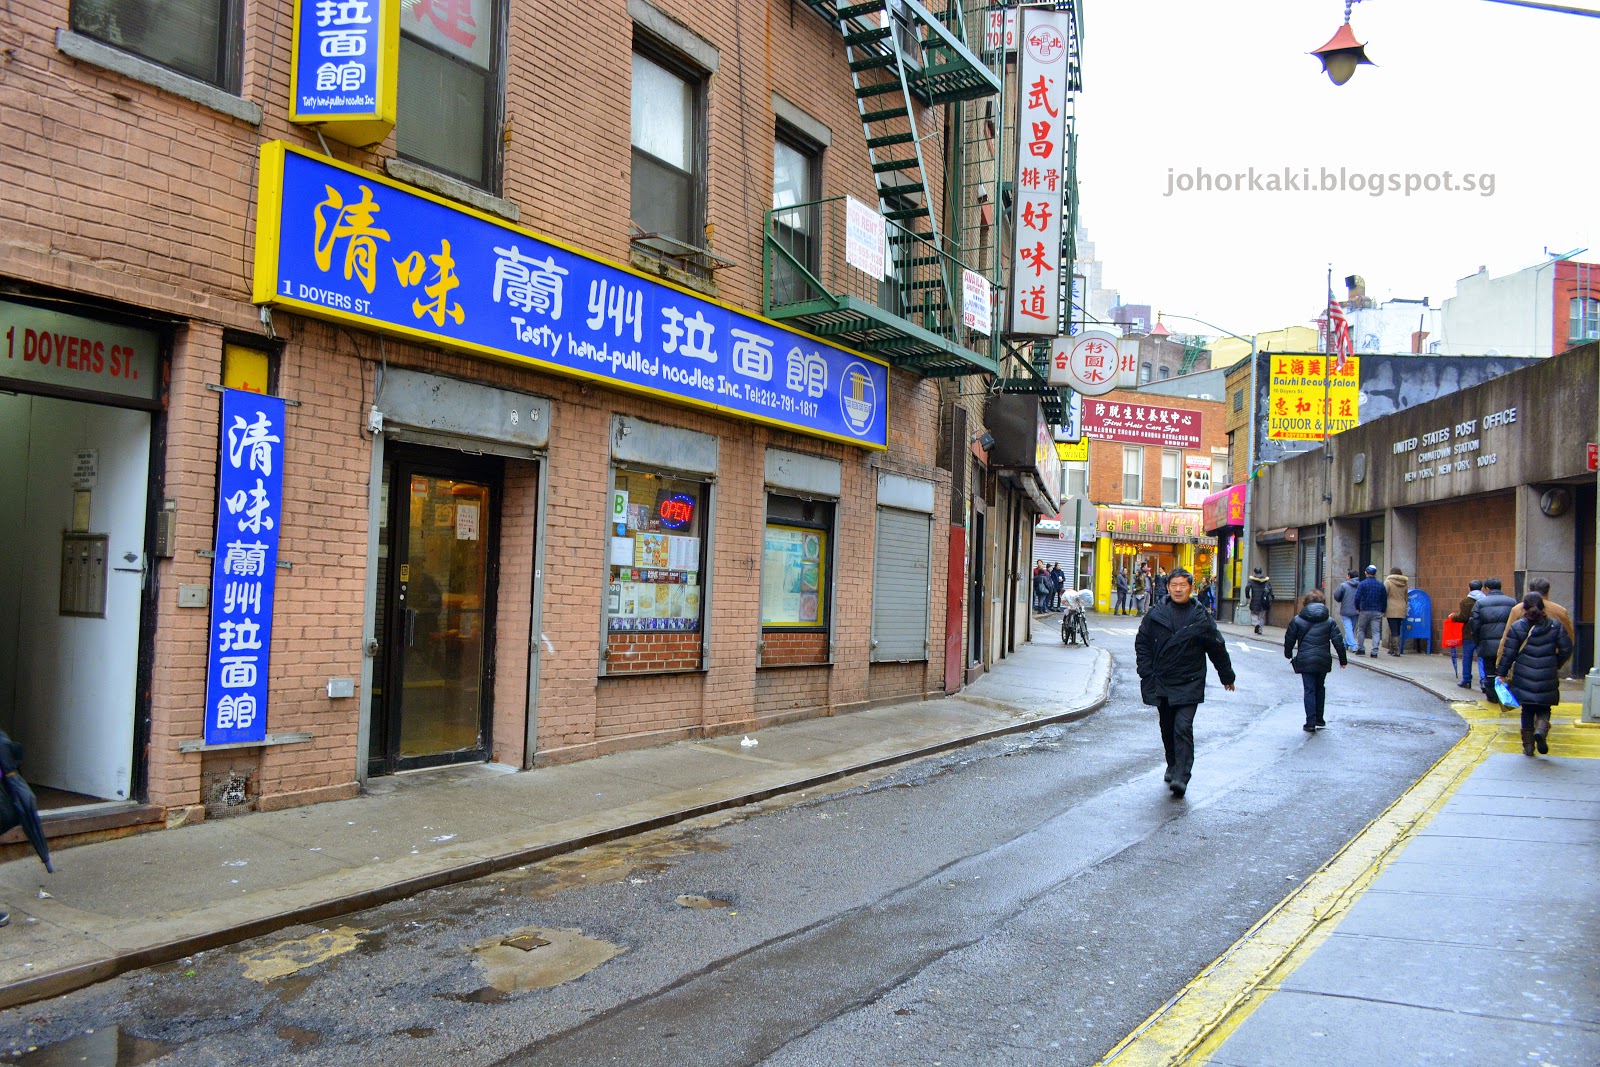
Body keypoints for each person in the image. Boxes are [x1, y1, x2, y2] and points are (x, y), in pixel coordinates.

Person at [1134, 567, 1237, 798]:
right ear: (1168, 587)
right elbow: (1142, 643)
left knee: (1183, 727)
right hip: (1162, 679)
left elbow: (1216, 646)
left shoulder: (1201, 617)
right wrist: (1146, 671)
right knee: (1167, 727)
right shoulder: (1155, 614)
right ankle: (1172, 764)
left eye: (1183, 585)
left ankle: (1182, 776)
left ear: (1191, 587)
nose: (1178, 589)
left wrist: (1226, 676)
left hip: (1190, 680)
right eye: (1174, 585)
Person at [1495, 592, 1573, 756]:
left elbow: (1508, 653)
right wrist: (1555, 663)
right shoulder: (1554, 626)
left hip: (1523, 675)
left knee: (1527, 710)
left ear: (1524, 608)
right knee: (1544, 707)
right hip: (1547, 674)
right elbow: (1567, 648)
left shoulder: (1517, 627)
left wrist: (1501, 673)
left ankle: (1528, 746)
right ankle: (1542, 729)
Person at [1284, 590, 1348, 732]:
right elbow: (1338, 641)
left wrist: (1288, 654)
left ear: (1306, 604)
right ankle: (1320, 718)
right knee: (1320, 687)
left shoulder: (1298, 620)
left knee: (1309, 690)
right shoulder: (1329, 621)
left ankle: (1310, 721)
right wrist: (1343, 660)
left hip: (1305, 660)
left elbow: (1289, 639)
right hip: (1323, 660)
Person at [1467, 577, 1518, 704]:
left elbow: (1474, 624)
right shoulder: (1512, 602)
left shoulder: (1480, 603)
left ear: (1487, 588)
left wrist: (1479, 641)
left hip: (1487, 644)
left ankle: (1492, 697)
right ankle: (1506, 696)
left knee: (1489, 671)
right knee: (1506, 670)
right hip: (1508, 644)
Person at [1497, 577, 1576, 656]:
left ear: (1529, 591)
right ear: (1548, 592)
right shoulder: (1560, 611)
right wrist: (1558, 662)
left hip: (1522, 660)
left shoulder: (1518, 609)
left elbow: (1506, 639)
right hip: (1549, 660)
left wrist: (1500, 662)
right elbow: (1569, 639)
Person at [1449, 579, 1486, 689]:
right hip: (1482, 633)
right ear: (1481, 588)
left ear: (1469, 588)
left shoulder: (1465, 601)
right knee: (1481, 658)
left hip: (1469, 633)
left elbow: (1463, 617)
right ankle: (1484, 681)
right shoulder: (1486, 601)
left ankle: (1466, 680)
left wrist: (1453, 616)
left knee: (1467, 657)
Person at [1353, 564, 1386, 657]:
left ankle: (1360, 649)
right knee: (1376, 631)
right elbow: (1384, 599)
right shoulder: (1381, 585)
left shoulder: (1362, 584)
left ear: (1366, 573)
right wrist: (1383, 609)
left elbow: (1357, 597)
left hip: (1364, 610)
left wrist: (1357, 608)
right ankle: (1374, 652)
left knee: (1361, 629)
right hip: (1377, 611)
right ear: (1375, 574)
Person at [1332, 569, 1361, 652]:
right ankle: (1345, 644)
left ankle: (1353, 645)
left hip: (1346, 609)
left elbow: (1337, 596)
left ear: (1349, 576)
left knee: (1348, 628)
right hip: (1356, 610)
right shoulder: (1360, 585)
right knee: (1351, 628)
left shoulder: (1343, 585)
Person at [1383, 567, 1410, 656]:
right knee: (1396, 628)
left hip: (1391, 607)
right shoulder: (1405, 583)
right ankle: (1392, 648)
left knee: (1393, 629)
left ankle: (1397, 650)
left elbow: (1384, 595)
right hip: (1401, 607)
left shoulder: (1388, 582)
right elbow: (1406, 597)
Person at [1246, 567, 1273, 634]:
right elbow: (1270, 589)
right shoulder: (1266, 580)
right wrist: (1271, 598)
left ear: (1254, 572)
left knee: (1254, 613)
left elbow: (1247, 588)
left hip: (1254, 600)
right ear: (1261, 572)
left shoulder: (1252, 580)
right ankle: (1260, 630)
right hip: (1264, 601)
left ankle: (1256, 623)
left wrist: (1247, 596)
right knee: (1261, 616)